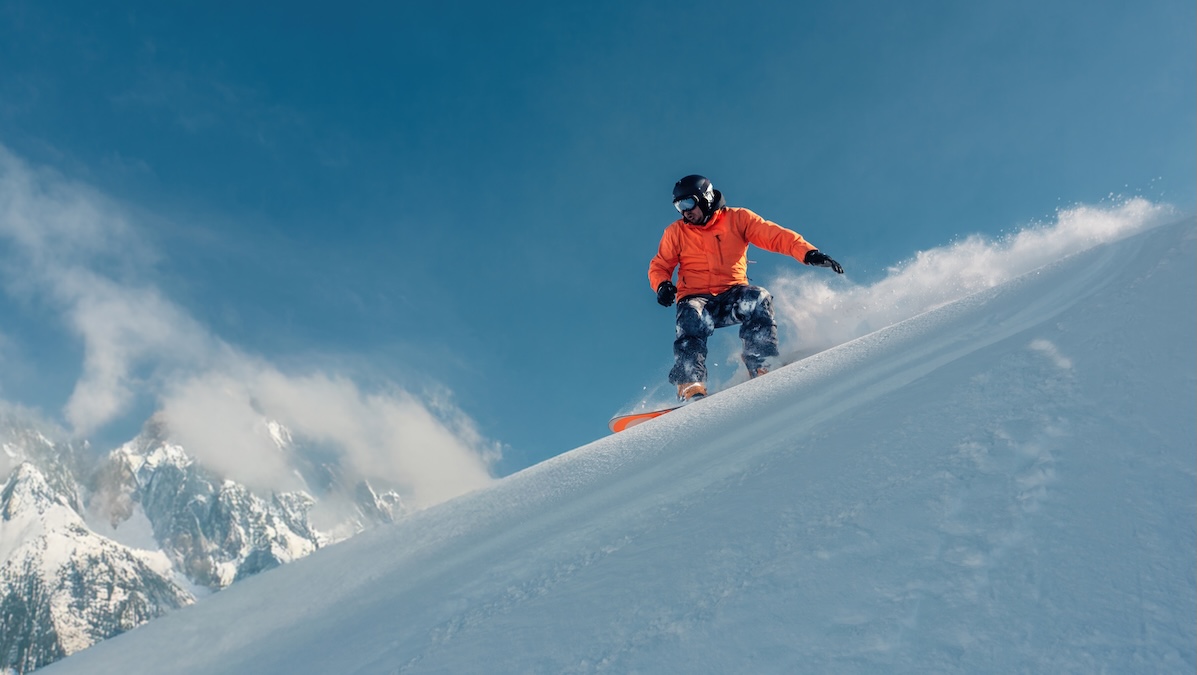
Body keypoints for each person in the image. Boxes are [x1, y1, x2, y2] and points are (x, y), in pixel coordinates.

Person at [649, 174, 844, 401]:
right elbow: (660, 264)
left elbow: (774, 235)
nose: (685, 212)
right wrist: (662, 285)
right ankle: (690, 383)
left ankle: (762, 362)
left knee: (758, 298)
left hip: (732, 293)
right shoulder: (676, 232)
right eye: (679, 206)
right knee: (691, 315)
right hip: (697, 297)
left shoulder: (738, 219)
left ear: (705, 198)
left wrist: (808, 253)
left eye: (688, 203)